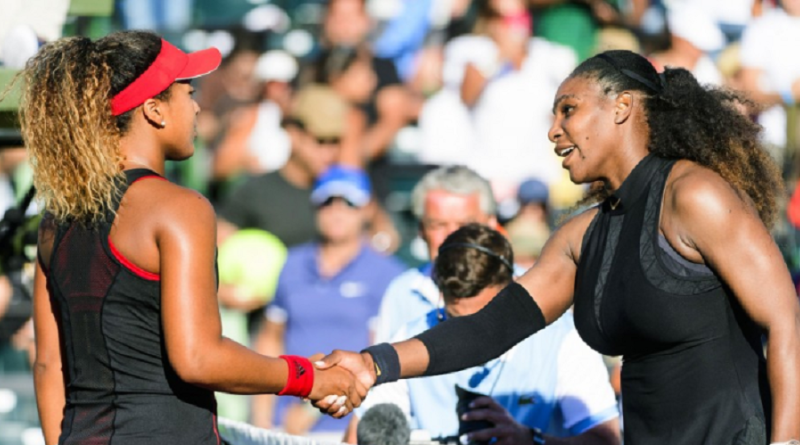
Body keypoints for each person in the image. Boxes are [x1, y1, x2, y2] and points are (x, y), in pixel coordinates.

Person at [315, 49, 800, 444]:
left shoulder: (695, 195)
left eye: (569, 109)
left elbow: (786, 323)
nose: (553, 130)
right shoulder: (581, 235)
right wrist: (375, 362)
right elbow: (490, 328)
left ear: (622, 106)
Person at [21, 31, 362, 444]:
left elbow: (48, 365)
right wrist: (305, 377)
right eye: (188, 92)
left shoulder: (55, 220)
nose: (199, 105)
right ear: (154, 110)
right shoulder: (180, 208)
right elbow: (199, 358)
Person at [348, 224, 620, 444]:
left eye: (487, 323)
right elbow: (359, 433)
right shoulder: (410, 335)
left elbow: (607, 440)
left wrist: (528, 439)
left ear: (514, 286)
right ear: (439, 294)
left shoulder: (563, 339)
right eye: (453, 322)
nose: (474, 340)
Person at [252, 166, 405, 437]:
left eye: (348, 202)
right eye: (326, 202)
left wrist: (311, 407)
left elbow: (379, 355)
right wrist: (262, 416)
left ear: (367, 209)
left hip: (350, 426)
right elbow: (271, 337)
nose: (336, 211)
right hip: (284, 424)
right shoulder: (291, 263)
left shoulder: (389, 274)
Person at [372, 165, 500, 345]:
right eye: (438, 225)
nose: (452, 237)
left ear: (491, 225)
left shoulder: (528, 287)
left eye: (465, 225)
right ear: (421, 230)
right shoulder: (402, 293)